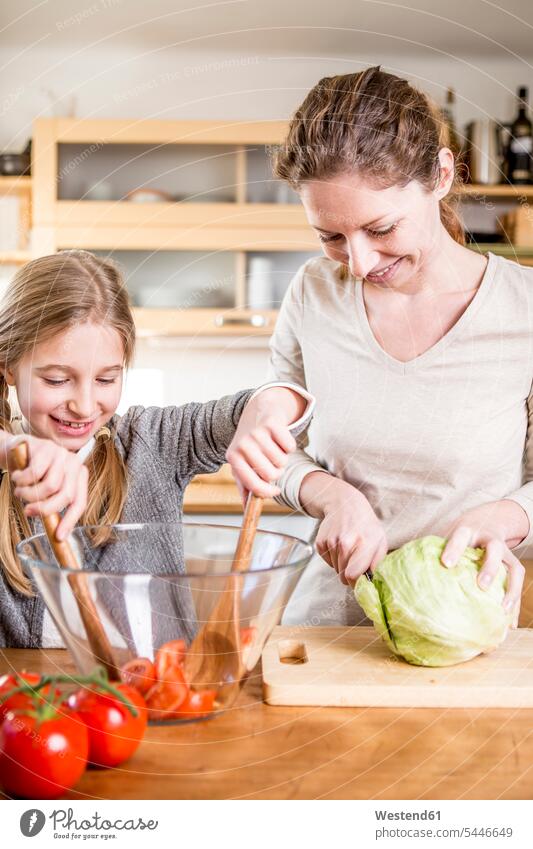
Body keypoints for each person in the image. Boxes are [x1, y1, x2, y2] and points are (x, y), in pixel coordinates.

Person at [268, 66, 528, 628]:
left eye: (381, 228)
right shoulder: (313, 293)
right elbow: (273, 448)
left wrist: (512, 514)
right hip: (325, 628)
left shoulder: (525, 308)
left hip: (461, 632)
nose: (359, 264)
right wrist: (328, 495)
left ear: (439, 175)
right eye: (331, 237)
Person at [0, 250, 314, 648]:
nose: (83, 404)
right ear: (9, 365)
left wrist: (268, 413)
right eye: (58, 380)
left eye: (106, 379)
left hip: (159, 697)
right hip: (32, 702)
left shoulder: (153, 441)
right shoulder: (7, 458)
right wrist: (11, 448)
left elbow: (270, 404)